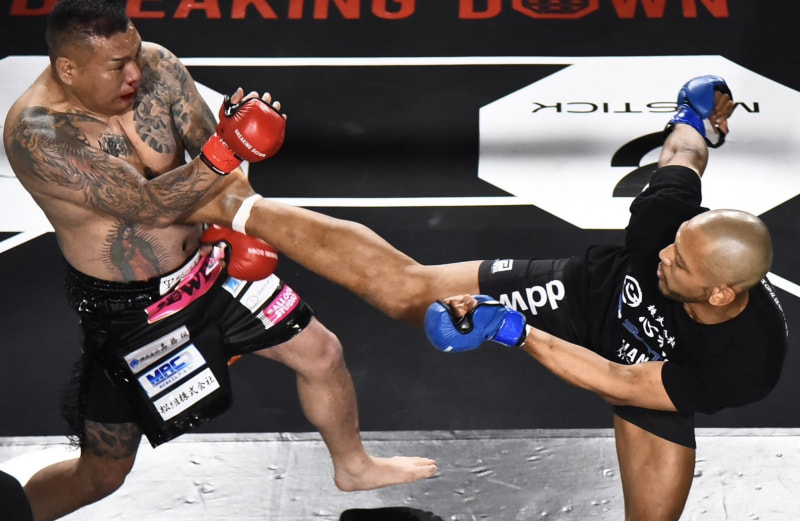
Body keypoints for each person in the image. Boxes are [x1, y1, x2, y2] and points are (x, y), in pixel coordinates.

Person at [185, 76, 788, 521]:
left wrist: (512, 330)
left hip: (649, 370)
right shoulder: (666, 225)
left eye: (679, 264)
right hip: (591, 295)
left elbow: (617, 380)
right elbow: (682, 156)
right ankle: (234, 204)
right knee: (405, 289)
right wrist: (695, 117)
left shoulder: (746, 360)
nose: (663, 255)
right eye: (672, 245)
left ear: (720, 292)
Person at [2, 1, 435, 520]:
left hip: (209, 262)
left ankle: (353, 466)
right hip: (130, 309)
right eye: (117, 65)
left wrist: (234, 223)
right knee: (104, 472)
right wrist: (231, 149)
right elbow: (147, 206)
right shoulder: (39, 135)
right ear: (68, 68)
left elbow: (217, 158)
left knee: (322, 353)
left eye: (134, 53)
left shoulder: (159, 66)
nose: (135, 72)